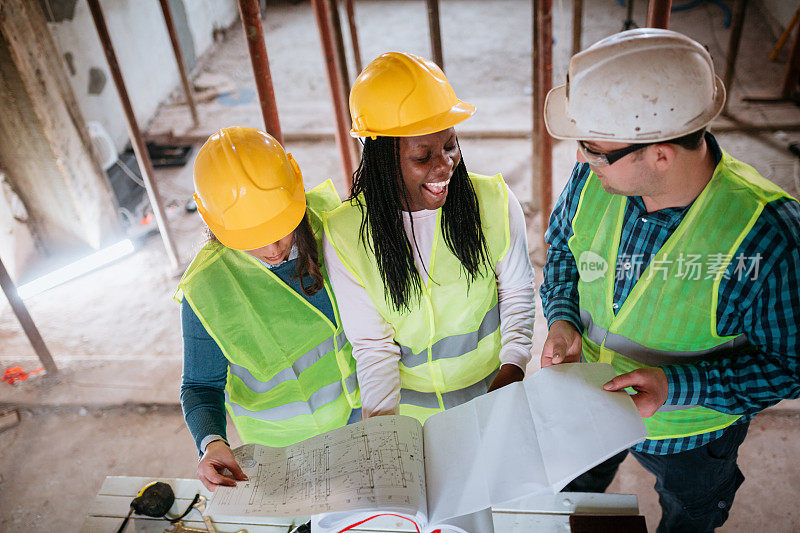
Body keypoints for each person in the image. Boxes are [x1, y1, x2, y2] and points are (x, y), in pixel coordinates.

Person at [540, 29, 800, 532]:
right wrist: (562, 318)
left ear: (660, 153)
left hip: (692, 439)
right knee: (570, 499)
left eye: (594, 149)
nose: (581, 160)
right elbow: (561, 253)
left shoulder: (768, 241)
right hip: (589, 407)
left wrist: (676, 385)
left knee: (689, 514)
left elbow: (789, 367)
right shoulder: (598, 178)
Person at [323, 51, 536, 423]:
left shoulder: (494, 203)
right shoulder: (347, 234)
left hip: (492, 390)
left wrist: (513, 368)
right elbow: (373, 347)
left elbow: (517, 291)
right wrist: (385, 429)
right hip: (409, 413)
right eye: (423, 157)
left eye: (450, 145)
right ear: (383, 158)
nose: (444, 166)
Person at [177, 127, 360, 492]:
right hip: (277, 453)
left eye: (280, 229)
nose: (273, 248)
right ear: (215, 225)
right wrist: (212, 441)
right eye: (252, 240)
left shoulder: (335, 228)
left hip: (358, 421)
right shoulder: (208, 287)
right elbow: (200, 384)